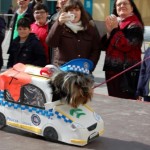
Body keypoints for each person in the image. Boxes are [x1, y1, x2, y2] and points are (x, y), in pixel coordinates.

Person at [101, 0, 144, 99]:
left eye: (125, 3)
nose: (122, 6)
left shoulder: (135, 24)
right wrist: (108, 33)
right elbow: (104, 46)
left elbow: (126, 46)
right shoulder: (117, 23)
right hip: (112, 71)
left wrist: (115, 30)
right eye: (118, 4)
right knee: (114, 102)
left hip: (126, 73)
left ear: (132, 8)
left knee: (125, 105)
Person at [46, 0, 101, 72]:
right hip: (63, 72)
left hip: (84, 72)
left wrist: (90, 66)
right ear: (66, 12)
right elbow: (51, 43)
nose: (74, 12)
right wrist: (58, 24)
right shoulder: (60, 26)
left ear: (81, 12)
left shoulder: (90, 28)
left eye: (77, 10)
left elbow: (96, 49)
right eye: (71, 10)